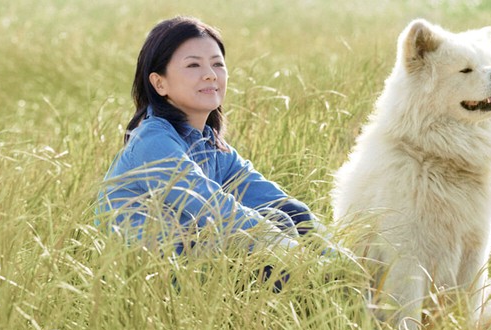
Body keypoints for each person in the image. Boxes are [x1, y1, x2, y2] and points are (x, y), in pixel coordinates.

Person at [97, 16, 325, 256]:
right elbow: (216, 211)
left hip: (195, 261)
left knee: (283, 215)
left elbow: (280, 203)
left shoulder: (210, 145)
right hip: (149, 276)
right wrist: (302, 260)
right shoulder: (152, 143)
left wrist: (341, 261)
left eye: (217, 64)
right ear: (159, 83)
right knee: (255, 244)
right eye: (193, 65)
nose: (210, 75)